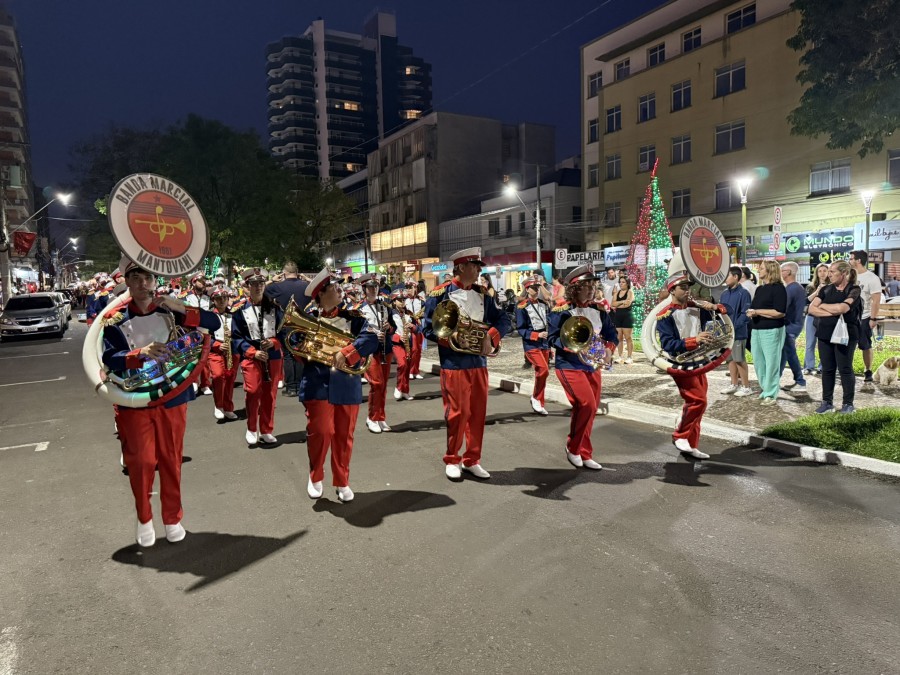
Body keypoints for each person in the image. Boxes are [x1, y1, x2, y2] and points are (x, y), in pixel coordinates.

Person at [102, 256, 221, 547]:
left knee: (171, 459)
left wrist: (180, 305)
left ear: (155, 281)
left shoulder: (172, 311)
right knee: (141, 462)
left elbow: (214, 322)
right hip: (135, 399)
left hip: (172, 395)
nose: (143, 284)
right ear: (127, 282)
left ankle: (172, 517)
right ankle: (144, 518)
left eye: (148, 278)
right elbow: (109, 358)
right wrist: (138, 354)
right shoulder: (115, 319)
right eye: (136, 278)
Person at [423, 247, 511, 480]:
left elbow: (504, 320)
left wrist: (491, 336)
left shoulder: (483, 294)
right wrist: (451, 337)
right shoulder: (440, 294)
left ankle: (472, 459)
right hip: (454, 363)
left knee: (478, 414)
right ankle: (452, 458)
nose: (478, 271)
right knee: (457, 414)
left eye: (479, 266)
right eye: (474, 266)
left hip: (479, 362)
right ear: (461, 267)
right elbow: (427, 329)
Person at [297, 268, 378, 502]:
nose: (339, 290)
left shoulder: (354, 317)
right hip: (317, 383)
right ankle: (315, 476)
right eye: (333, 287)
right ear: (321, 294)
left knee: (344, 436)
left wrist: (348, 352)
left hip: (347, 384)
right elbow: (294, 346)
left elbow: (371, 338)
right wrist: (305, 349)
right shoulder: (307, 319)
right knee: (320, 433)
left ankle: (342, 481)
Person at [548, 264, 618, 470]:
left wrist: (609, 349)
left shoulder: (598, 310)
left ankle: (584, 452)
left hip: (592, 365)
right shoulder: (562, 310)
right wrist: (572, 345)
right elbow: (552, 338)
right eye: (586, 286)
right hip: (569, 364)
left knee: (591, 409)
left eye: (592, 286)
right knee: (586, 404)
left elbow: (611, 334)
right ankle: (573, 447)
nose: (591, 290)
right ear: (574, 288)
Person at [655, 272, 727, 460]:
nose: (688, 291)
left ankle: (691, 444)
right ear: (672, 290)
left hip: (700, 359)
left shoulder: (698, 307)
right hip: (681, 362)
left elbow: (722, 317)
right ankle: (680, 435)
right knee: (698, 401)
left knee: (699, 404)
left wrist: (715, 308)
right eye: (683, 288)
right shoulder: (664, 315)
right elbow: (668, 344)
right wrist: (694, 340)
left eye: (688, 287)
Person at [231, 268, 283, 446]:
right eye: (254, 284)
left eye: (261, 283)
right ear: (247, 286)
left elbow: (284, 332)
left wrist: (274, 342)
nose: (258, 287)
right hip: (251, 357)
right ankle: (252, 428)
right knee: (253, 392)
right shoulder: (239, 310)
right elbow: (236, 337)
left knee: (270, 394)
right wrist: (252, 352)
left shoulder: (275, 307)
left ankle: (266, 430)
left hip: (272, 356)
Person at [808, 261, 861, 414]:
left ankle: (848, 404)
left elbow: (843, 308)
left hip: (846, 335)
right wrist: (834, 312)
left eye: (832, 271)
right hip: (825, 334)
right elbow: (812, 309)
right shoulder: (825, 289)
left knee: (845, 368)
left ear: (843, 273)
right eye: (829, 271)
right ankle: (827, 403)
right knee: (827, 369)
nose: (828, 274)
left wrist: (823, 306)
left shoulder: (854, 290)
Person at [264, 261, 309, 397]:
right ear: (297, 272)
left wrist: (272, 280)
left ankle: (291, 387)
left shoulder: (278, 286)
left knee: (288, 355)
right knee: (300, 353)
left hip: (286, 324)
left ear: (284, 273)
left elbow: (260, 290)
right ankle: (301, 386)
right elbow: (320, 288)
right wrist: (307, 279)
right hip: (303, 323)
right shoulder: (305, 285)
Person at [747, 261, 786, 405]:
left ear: (770, 270)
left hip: (772, 330)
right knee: (759, 363)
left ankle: (771, 393)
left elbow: (780, 312)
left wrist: (757, 312)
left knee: (771, 363)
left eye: (762, 268)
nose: (758, 271)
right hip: (756, 330)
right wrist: (754, 312)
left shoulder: (779, 288)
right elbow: (755, 309)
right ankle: (765, 389)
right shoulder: (760, 289)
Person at [358, 274, 393, 433]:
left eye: (376, 287)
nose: (373, 290)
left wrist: (388, 327)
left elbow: (393, 326)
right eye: (370, 287)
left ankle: (380, 416)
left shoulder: (385, 306)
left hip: (385, 349)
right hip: (369, 350)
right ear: (364, 289)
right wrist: (372, 333)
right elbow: (354, 332)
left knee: (383, 385)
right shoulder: (358, 309)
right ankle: (372, 417)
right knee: (376, 384)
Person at [516, 276, 551, 415]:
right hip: (531, 344)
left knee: (542, 373)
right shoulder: (521, 306)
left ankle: (539, 401)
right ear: (527, 289)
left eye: (537, 287)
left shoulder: (544, 304)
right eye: (533, 287)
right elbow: (521, 329)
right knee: (544, 370)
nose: (536, 290)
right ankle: (536, 397)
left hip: (545, 342)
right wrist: (537, 335)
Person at [849, 251, 883, 383]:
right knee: (847, 344)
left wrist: (873, 319)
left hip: (864, 317)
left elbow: (876, 301)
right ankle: (846, 369)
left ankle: (867, 370)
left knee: (865, 345)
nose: (849, 260)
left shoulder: (872, 278)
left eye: (851, 258)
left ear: (858, 261)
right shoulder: (849, 275)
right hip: (849, 316)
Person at [719, 266, 753, 397]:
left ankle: (746, 387)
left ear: (735, 277)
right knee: (730, 359)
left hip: (738, 333)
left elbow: (745, 314)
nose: (725, 279)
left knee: (739, 359)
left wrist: (734, 327)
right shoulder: (724, 294)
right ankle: (734, 384)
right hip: (727, 333)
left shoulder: (744, 293)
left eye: (727, 276)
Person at [208, 287, 239, 421]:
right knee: (218, 376)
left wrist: (234, 336)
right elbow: (203, 336)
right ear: (213, 300)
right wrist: (217, 345)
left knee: (230, 378)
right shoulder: (209, 316)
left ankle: (228, 407)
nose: (222, 301)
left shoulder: (234, 314)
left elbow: (241, 332)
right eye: (218, 299)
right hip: (216, 351)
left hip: (232, 350)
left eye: (224, 298)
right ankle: (218, 405)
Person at [778, 261, 808, 393]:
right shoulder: (797, 287)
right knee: (784, 353)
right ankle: (775, 379)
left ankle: (800, 381)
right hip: (795, 324)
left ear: (789, 272)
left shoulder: (791, 288)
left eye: (782, 270)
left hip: (790, 326)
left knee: (790, 354)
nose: (780, 273)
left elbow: (782, 308)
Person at [184, 272, 213, 395]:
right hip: (190, 332)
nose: (203, 283)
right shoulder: (185, 297)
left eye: (204, 281)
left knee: (205, 359)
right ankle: (193, 381)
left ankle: (205, 384)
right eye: (200, 281)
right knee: (192, 357)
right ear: (194, 282)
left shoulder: (208, 298)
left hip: (205, 331)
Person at [390, 288, 417, 401]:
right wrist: (398, 337)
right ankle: (398, 386)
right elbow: (389, 331)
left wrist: (413, 327)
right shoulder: (390, 314)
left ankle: (405, 391)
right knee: (402, 364)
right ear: (394, 301)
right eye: (399, 300)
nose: (402, 302)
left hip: (408, 342)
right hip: (397, 343)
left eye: (403, 300)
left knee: (407, 366)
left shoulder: (408, 313)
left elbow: (418, 328)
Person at [803, 263, 830, 375]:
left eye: (825, 271)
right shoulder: (811, 286)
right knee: (810, 343)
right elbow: (806, 301)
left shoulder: (832, 286)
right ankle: (809, 366)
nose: (822, 273)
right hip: (811, 317)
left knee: (823, 343)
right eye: (820, 271)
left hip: (824, 317)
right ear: (817, 273)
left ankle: (822, 367)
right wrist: (817, 291)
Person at [611, 275, 635, 364]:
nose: (621, 284)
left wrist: (617, 304)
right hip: (618, 316)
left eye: (623, 282)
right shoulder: (617, 293)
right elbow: (612, 304)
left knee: (628, 337)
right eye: (620, 282)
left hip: (627, 316)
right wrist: (622, 302)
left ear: (627, 283)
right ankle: (620, 356)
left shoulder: (630, 292)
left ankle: (629, 357)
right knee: (619, 337)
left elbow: (627, 304)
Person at [404, 282, 425, 379]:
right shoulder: (404, 301)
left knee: (418, 350)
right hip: (408, 328)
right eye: (407, 288)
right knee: (413, 349)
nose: (409, 290)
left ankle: (416, 371)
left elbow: (425, 312)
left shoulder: (420, 301)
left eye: (411, 288)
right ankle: (410, 370)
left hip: (419, 327)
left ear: (415, 289)